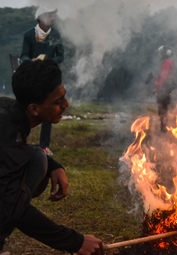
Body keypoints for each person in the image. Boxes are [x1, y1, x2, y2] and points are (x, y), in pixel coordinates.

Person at [0, 59, 104, 254]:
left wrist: (53, 164)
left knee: (39, 157)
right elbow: (15, 206)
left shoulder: (10, 111)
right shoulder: (4, 128)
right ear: (34, 109)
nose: (66, 104)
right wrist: (76, 242)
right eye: (57, 102)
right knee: (35, 162)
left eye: (63, 97)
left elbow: (14, 155)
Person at [21, 6, 64, 156]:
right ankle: (20, 142)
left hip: (49, 78)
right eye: (50, 16)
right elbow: (24, 55)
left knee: (49, 109)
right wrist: (31, 61)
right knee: (25, 109)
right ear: (41, 18)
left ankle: (44, 145)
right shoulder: (29, 35)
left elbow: (61, 56)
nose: (53, 19)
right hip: (32, 77)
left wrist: (47, 60)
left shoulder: (56, 35)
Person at [153, 45, 176, 132]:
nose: (159, 55)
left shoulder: (166, 62)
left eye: (160, 53)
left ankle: (163, 129)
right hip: (166, 89)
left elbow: (164, 77)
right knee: (164, 110)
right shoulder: (169, 62)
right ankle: (163, 128)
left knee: (162, 110)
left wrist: (157, 88)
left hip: (164, 90)